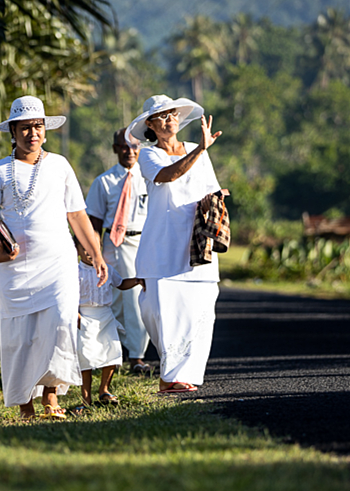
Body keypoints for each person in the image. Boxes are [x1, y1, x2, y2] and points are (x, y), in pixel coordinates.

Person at [0, 95, 107, 420]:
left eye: (38, 126)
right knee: (20, 337)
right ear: (13, 132)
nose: (32, 133)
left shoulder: (60, 165)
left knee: (60, 324)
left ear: (45, 129)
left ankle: (51, 395)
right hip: (15, 269)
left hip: (58, 262)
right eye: (25, 127)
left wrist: (96, 254)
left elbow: (77, 215)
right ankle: (25, 405)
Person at [126, 94, 223, 394]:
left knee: (200, 310)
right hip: (162, 245)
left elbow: (213, 189)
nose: (170, 120)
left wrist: (217, 204)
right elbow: (168, 175)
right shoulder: (148, 155)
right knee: (162, 311)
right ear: (150, 125)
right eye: (162, 116)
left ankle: (182, 376)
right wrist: (202, 150)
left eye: (173, 114)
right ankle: (169, 375)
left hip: (196, 242)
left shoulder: (196, 149)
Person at [85, 128, 152, 374]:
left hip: (142, 242)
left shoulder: (149, 178)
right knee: (111, 300)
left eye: (134, 146)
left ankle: (137, 356)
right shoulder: (104, 182)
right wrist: (94, 254)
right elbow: (93, 222)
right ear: (115, 149)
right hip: (114, 244)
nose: (129, 151)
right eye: (124, 146)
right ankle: (108, 354)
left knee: (136, 299)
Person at [72, 235, 144, 414]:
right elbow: (68, 295)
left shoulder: (108, 269)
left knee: (111, 352)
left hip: (105, 316)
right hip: (85, 317)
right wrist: (75, 315)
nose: (90, 252)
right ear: (77, 250)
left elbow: (121, 284)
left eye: (94, 247)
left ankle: (104, 390)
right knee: (85, 358)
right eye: (85, 248)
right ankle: (85, 399)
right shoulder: (74, 271)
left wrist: (136, 280)